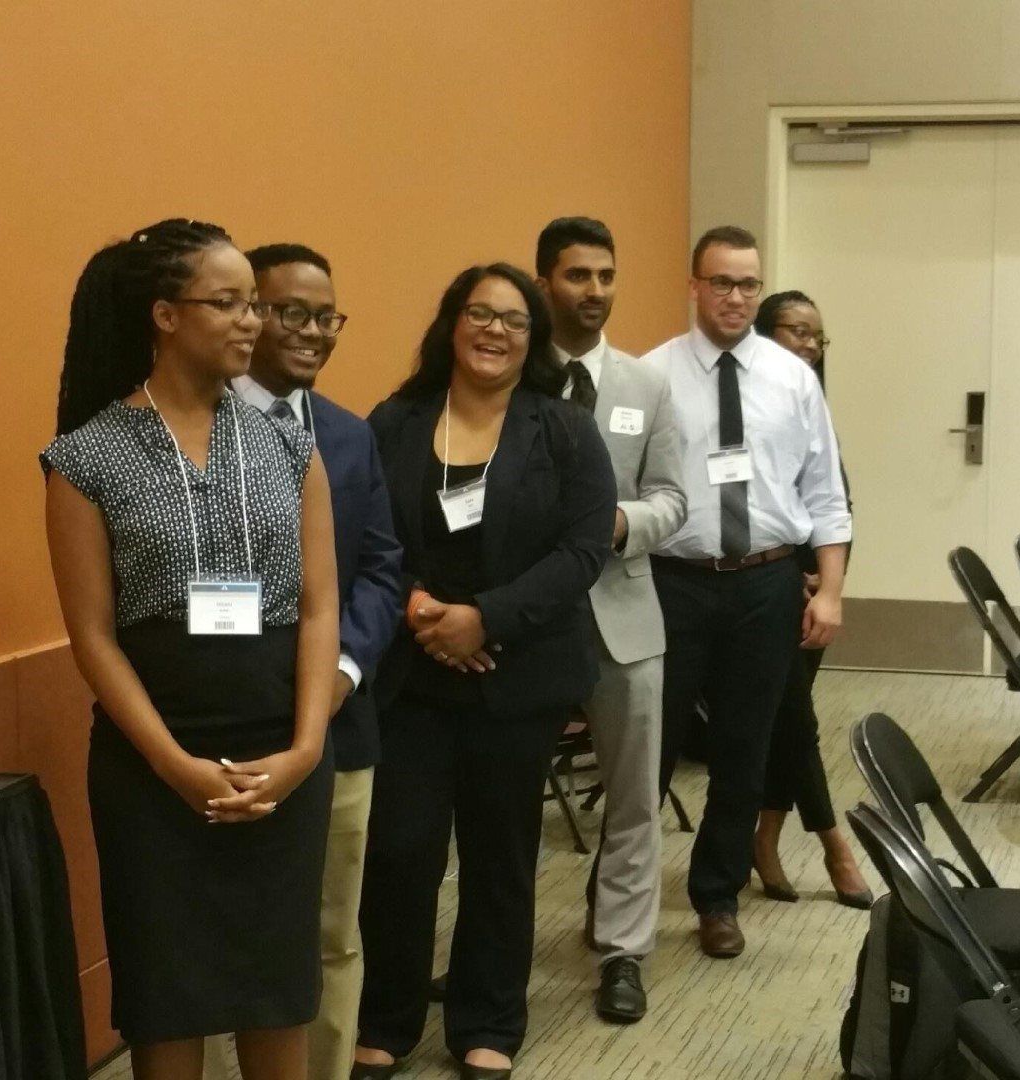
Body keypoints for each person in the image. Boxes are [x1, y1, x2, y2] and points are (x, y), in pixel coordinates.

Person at [41, 218, 339, 1080]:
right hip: (153, 766)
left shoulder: (290, 437)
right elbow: (92, 636)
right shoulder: (85, 456)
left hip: (281, 748)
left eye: (256, 304)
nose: (256, 322)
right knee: (168, 998)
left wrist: (307, 749)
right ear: (166, 316)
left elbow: (321, 607)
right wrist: (176, 766)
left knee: (275, 990)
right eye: (230, 303)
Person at [352, 264, 616, 1080]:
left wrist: (485, 618)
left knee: (502, 854)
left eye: (513, 319)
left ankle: (489, 1020)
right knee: (400, 853)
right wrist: (423, 611)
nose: (494, 330)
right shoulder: (392, 422)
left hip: (518, 672)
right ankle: (386, 1021)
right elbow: (360, 534)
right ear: (451, 323)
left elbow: (582, 549)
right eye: (479, 313)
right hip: (411, 672)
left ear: (532, 340)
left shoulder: (563, 429)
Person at [197, 243, 403, 1080]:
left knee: (330, 934)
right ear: (249, 315)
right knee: (219, 935)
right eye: (291, 312)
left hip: (338, 733)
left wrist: (340, 677)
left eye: (328, 318)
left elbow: (383, 570)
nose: (313, 332)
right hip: (219, 730)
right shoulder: (189, 425)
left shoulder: (349, 438)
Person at [645, 227, 852, 959]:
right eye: (721, 282)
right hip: (673, 583)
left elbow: (825, 493)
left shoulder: (792, 377)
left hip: (767, 582)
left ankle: (716, 895)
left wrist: (828, 590)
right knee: (651, 749)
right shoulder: (652, 375)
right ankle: (626, 900)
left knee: (746, 750)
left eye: (748, 285)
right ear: (694, 286)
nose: (735, 297)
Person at [533, 217, 686, 1023]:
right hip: (523, 623)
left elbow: (674, 500)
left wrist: (615, 525)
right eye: (577, 276)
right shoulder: (512, 377)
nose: (594, 292)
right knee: (499, 797)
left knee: (631, 797)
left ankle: (624, 952)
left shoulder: (646, 385)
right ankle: (494, 956)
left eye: (606, 275)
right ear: (543, 282)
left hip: (623, 613)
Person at [748, 290, 871, 910]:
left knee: (784, 716)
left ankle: (765, 836)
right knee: (796, 718)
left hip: (814, 586)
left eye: (819, 336)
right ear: (764, 335)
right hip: (767, 585)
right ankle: (833, 843)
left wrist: (831, 583)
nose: (810, 344)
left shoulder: (809, 402)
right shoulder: (747, 404)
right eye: (797, 330)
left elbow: (832, 502)